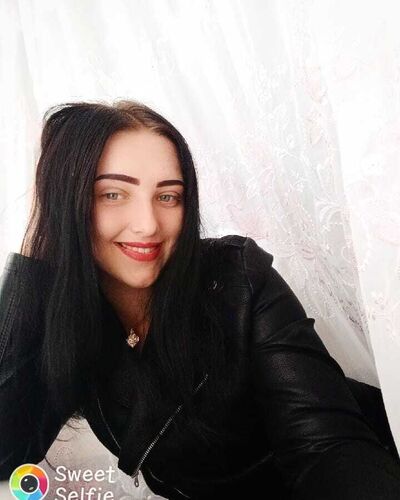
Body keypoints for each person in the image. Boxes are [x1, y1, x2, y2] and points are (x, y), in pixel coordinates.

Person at [1, 100, 400, 500]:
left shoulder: (236, 280)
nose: (148, 225)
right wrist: (39, 248)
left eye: (168, 196)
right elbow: (6, 453)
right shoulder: (69, 317)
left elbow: (328, 449)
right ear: (67, 202)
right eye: (113, 194)